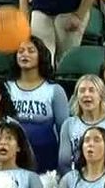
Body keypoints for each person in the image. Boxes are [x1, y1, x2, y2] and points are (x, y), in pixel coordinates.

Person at [7, 36, 68, 174]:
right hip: (13, 159)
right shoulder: (7, 88)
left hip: (46, 158)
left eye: (30, 51)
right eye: (21, 51)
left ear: (41, 56)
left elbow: (64, 131)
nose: (25, 54)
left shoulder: (54, 90)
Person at [57, 75, 105, 174]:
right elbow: (64, 163)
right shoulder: (68, 124)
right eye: (82, 90)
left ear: (101, 96)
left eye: (92, 90)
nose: (86, 94)